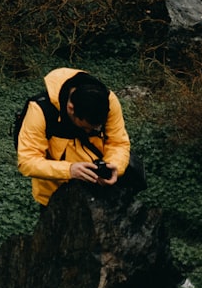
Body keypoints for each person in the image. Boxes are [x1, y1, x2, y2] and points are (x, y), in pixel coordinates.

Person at [17, 67, 131, 207]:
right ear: (71, 108)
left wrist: (115, 166)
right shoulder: (40, 110)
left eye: (95, 129)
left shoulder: (107, 100)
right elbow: (27, 161)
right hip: (55, 195)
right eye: (85, 127)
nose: (90, 131)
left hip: (98, 189)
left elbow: (118, 142)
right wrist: (69, 170)